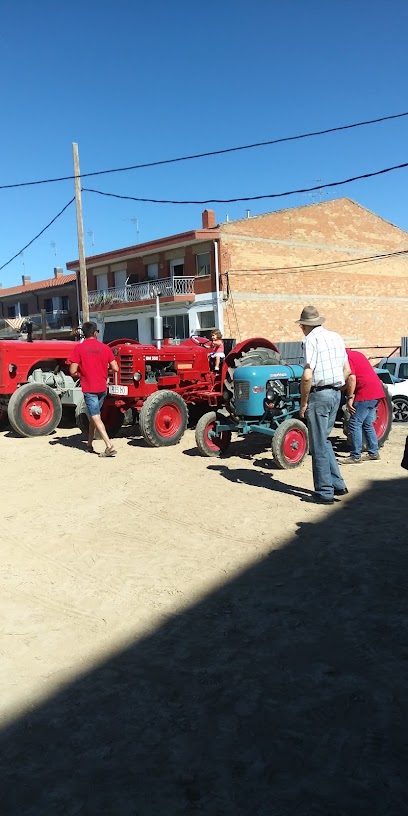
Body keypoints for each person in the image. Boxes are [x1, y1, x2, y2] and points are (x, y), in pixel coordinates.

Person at [297, 305, 350, 505]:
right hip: (336, 392)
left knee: (317, 445)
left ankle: (324, 491)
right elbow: (347, 370)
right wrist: (337, 390)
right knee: (325, 440)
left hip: (320, 394)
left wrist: (304, 402)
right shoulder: (336, 337)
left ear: (304, 326)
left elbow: (307, 375)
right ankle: (337, 483)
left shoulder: (310, 340)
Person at [69, 321, 119, 458]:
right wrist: (104, 370)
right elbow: (116, 368)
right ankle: (89, 445)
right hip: (102, 388)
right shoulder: (105, 348)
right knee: (94, 415)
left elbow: (72, 371)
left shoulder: (79, 348)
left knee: (95, 416)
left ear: (84, 334)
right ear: (96, 333)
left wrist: (81, 372)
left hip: (89, 387)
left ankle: (109, 446)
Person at [342, 349, 385, 464]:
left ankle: (355, 455)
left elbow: (351, 378)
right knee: (367, 423)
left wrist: (349, 397)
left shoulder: (345, 356)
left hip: (365, 392)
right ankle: (373, 452)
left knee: (354, 423)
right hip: (376, 391)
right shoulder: (356, 354)